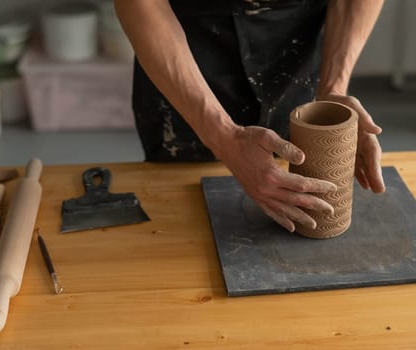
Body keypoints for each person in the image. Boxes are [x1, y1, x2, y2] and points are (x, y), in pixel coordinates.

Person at [114, 0, 386, 233]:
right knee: (181, 220)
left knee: (300, 161)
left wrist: (333, 88)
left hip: (300, 41)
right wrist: (223, 136)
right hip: (186, 53)